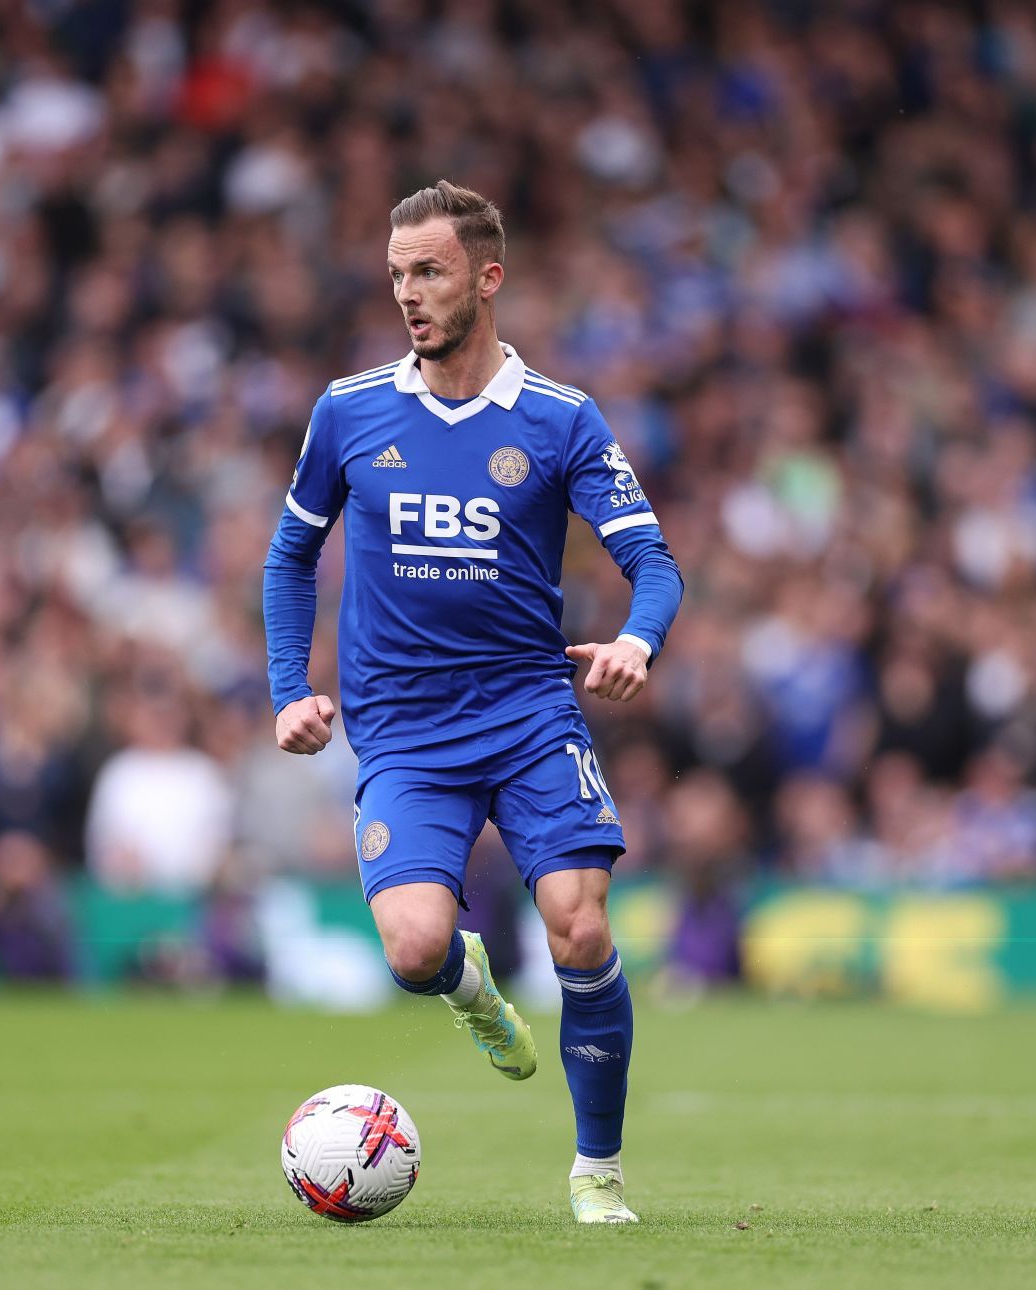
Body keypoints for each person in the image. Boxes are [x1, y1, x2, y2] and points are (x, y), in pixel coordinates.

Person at [262, 181, 682, 1224]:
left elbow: (654, 563)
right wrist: (289, 691)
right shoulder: (349, 408)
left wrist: (637, 640)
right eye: (398, 274)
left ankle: (597, 1172)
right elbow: (289, 556)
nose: (409, 293)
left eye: (430, 272)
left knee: (579, 929)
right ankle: (469, 989)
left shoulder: (562, 419)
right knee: (411, 948)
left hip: (531, 714)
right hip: (403, 729)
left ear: (487, 278)